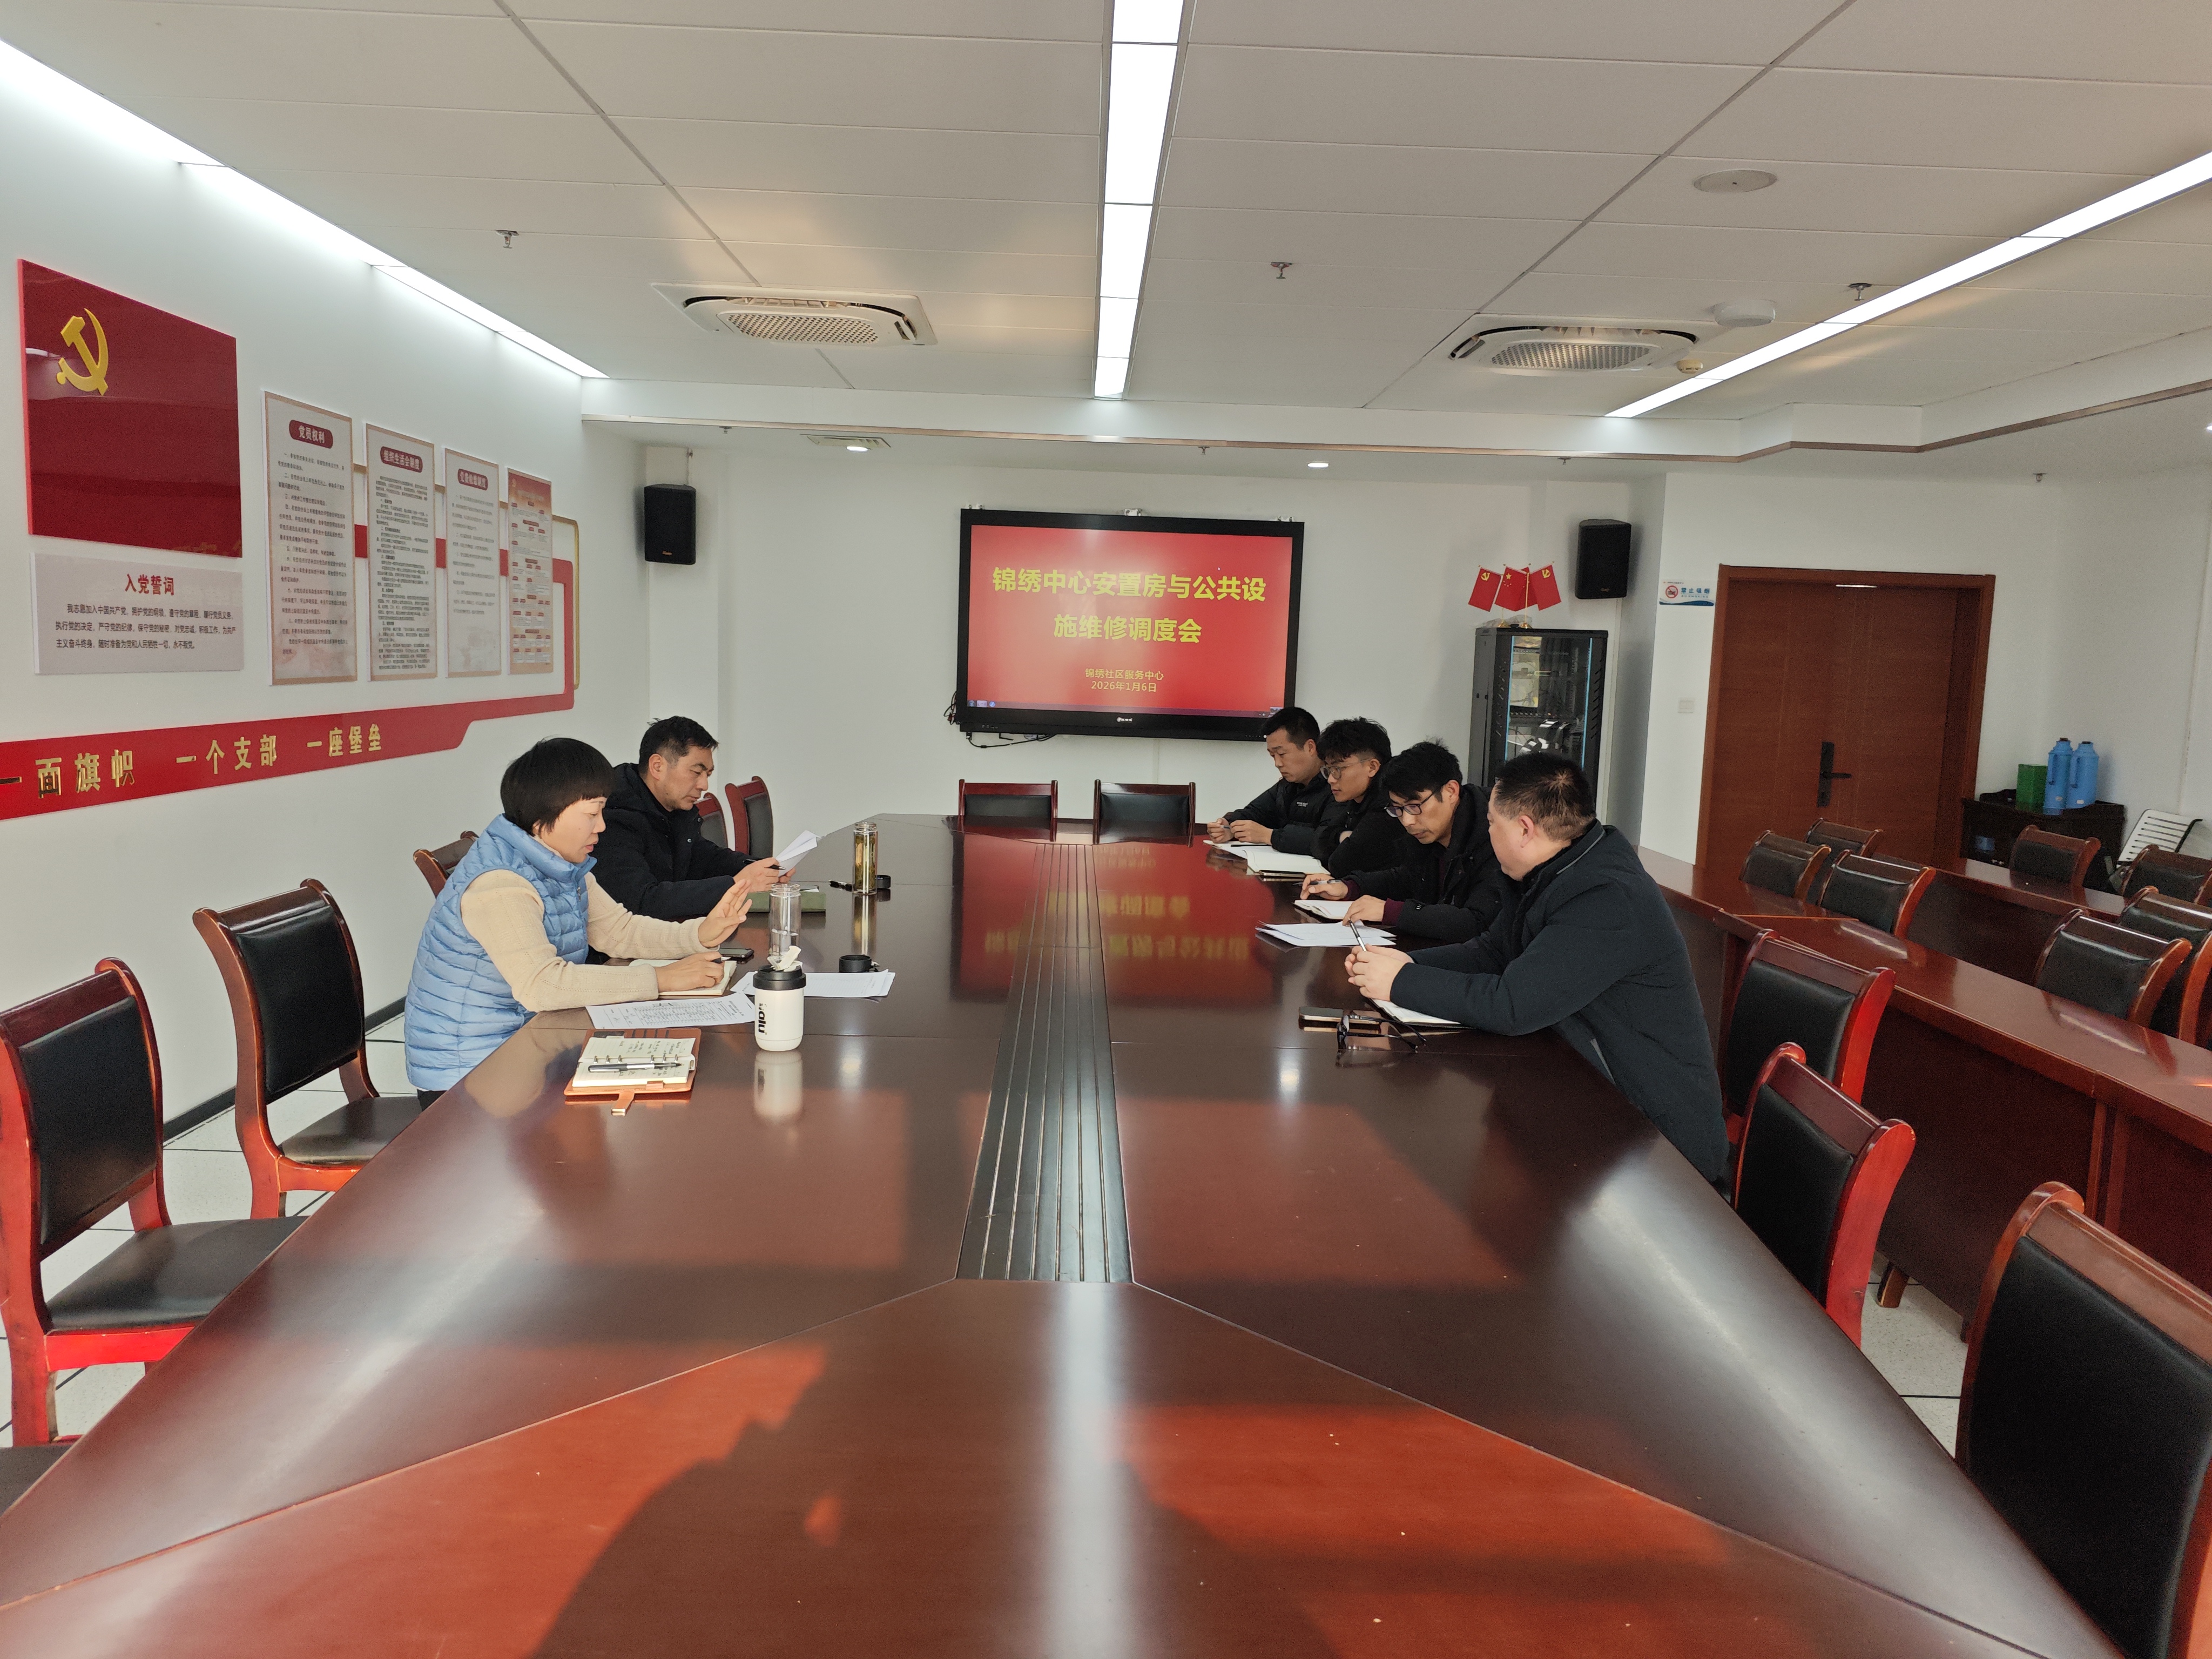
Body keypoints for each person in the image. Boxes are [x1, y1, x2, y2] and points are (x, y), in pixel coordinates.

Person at [1342, 752, 1728, 1184]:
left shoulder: (1607, 895)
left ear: (1525, 829)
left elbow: (1513, 1006)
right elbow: (1493, 951)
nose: (1487, 833)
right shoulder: (1555, 867)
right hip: (1588, 1097)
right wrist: (1407, 963)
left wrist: (1402, 982)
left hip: (1657, 1142)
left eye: (1492, 823)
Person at [404, 737, 750, 1101]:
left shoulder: (561, 861)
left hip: (531, 1041)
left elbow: (618, 930)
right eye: (591, 814)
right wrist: (660, 978)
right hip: (471, 1073)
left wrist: (700, 934)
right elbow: (541, 985)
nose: (601, 827)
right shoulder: (501, 884)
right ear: (546, 815)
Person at [1301, 741, 1508, 945]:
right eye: (1398, 809)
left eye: (1415, 806)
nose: (1407, 821)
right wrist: (1349, 887)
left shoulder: (1493, 834)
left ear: (1451, 791)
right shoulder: (1430, 833)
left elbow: (1477, 922)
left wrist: (1391, 911)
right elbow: (1408, 879)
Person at [595, 715, 785, 921]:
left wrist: (761, 868)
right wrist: (735, 884)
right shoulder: (613, 818)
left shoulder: (672, 805)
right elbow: (643, 901)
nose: (704, 786)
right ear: (658, 766)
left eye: (708, 775)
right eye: (696, 772)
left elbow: (704, 858)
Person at [1207, 707, 1330, 848]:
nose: (1277, 764)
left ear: (1310, 747)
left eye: (1282, 754)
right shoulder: (1286, 786)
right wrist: (1229, 827)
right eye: (1272, 756)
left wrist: (1268, 836)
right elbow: (1254, 813)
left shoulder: (1337, 786)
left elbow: (1327, 840)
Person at [1308, 717, 1411, 879]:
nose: (1331, 779)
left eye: (1338, 769)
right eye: (1329, 770)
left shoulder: (1389, 805)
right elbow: (1318, 840)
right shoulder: (1357, 799)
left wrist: (1338, 839)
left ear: (1372, 767)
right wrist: (1342, 836)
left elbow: (1339, 864)